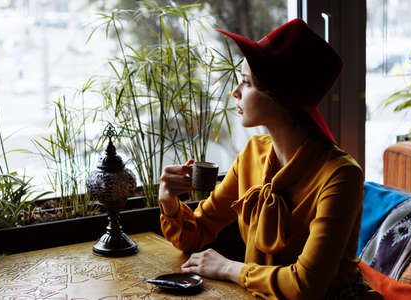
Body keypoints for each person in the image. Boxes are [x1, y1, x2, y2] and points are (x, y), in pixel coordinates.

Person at [158, 18, 382, 300]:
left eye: (246, 83)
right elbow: (195, 234)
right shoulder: (253, 152)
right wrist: (169, 200)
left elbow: (306, 286)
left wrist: (229, 268)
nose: (235, 92)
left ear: (281, 96)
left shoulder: (340, 175)